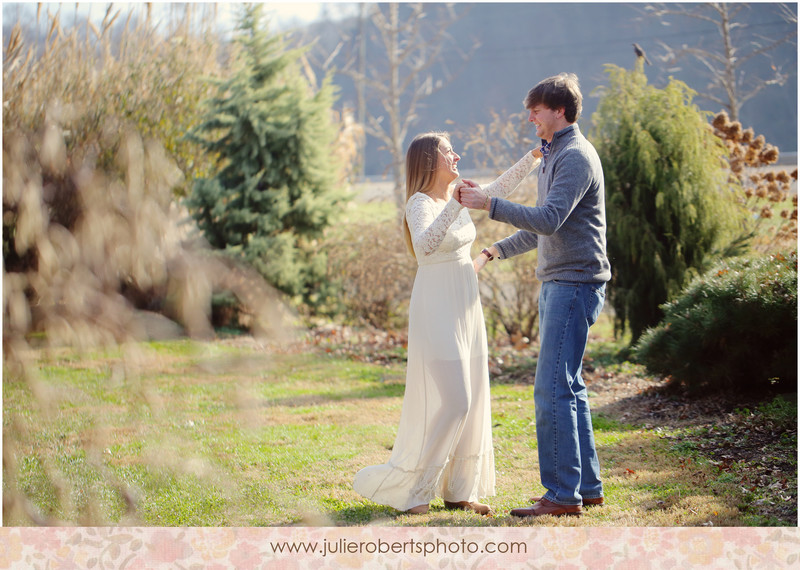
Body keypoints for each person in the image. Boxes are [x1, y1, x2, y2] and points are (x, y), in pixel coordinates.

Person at [352, 132, 541, 515]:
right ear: (428, 160)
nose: (456, 155)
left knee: (471, 401)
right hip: (436, 304)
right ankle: (416, 492)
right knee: (456, 400)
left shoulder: (455, 195)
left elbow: (498, 189)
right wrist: (456, 205)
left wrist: (534, 154)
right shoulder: (419, 203)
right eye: (447, 151)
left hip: (466, 302)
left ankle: (458, 491)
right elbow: (424, 244)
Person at [457, 73, 612, 518]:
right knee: (570, 386)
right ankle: (587, 487)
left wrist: (488, 203)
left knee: (550, 390)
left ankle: (563, 496)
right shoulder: (555, 155)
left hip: (574, 284)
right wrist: (493, 250)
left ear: (559, 111)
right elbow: (547, 230)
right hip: (562, 281)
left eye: (536, 110)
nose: (530, 118)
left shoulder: (576, 156)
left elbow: (546, 219)